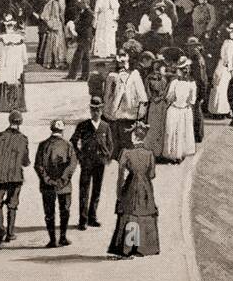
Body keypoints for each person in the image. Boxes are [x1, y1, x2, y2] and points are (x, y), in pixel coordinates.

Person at [108, 123, 160, 258]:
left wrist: (119, 193)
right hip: (145, 188)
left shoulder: (126, 153)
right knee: (144, 214)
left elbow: (121, 176)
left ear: (134, 137)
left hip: (131, 186)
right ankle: (143, 248)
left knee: (129, 214)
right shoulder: (149, 154)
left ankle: (127, 248)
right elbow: (152, 174)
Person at [71, 96, 114, 228]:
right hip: (87, 163)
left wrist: (107, 157)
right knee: (84, 191)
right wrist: (79, 156)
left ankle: (92, 217)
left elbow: (110, 144)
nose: (96, 112)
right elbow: (73, 141)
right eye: (93, 110)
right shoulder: (83, 126)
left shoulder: (105, 126)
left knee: (96, 190)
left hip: (100, 163)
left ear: (102, 110)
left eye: (98, 109)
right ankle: (83, 220)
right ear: (90, 110)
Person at [0, 110, 30, 245]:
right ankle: (10, 232)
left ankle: (1, 228)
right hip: (15, 176)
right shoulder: (23, 139)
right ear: (20, 123)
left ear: (9, 121)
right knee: (12, 205)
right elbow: (25, 161)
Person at [34, 118, 77, 248]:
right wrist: (62, 180)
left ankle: (52, 240)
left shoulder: (43, 145)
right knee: (65, 211)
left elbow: (38, 166)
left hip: (47, 186)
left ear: (51, 129)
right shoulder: (68, 145)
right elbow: (72, 165)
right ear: (62, 130)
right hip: (64, 186)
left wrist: (48, 180)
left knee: (49, 213)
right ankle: (63, 238)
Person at [104, 52, 149, 155]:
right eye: (120, 62)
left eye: (124, 62)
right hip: (115, 112)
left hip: (130, 111)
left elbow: (141, 93)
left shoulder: (135, 75)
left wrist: (141, 111)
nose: (122, 64)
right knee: (115, 135)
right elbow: (107, 95)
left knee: (128, 136)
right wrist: (107, 109)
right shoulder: (112, 76)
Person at [161, 58, 198, 161]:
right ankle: (173, 155)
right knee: (174, 132)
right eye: (183, 69)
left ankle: (180, 154)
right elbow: (169, 98)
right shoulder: (175, 83)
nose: (185, 71)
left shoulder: (191, 84)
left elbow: (192, 100)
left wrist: (184, 102)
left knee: (182, 132)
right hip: (175, 110)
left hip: (184, 110)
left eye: (187, 69)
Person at [0, 14, 28, 112]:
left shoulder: (18, 39)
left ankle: (10, 105)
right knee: (8, 80)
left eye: (10, 25)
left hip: (13, 64)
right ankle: (10, 105)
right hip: (8, 64)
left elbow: (23, 54)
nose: (9, 27)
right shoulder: (4, 39)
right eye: (8, 25)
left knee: (12, 80)